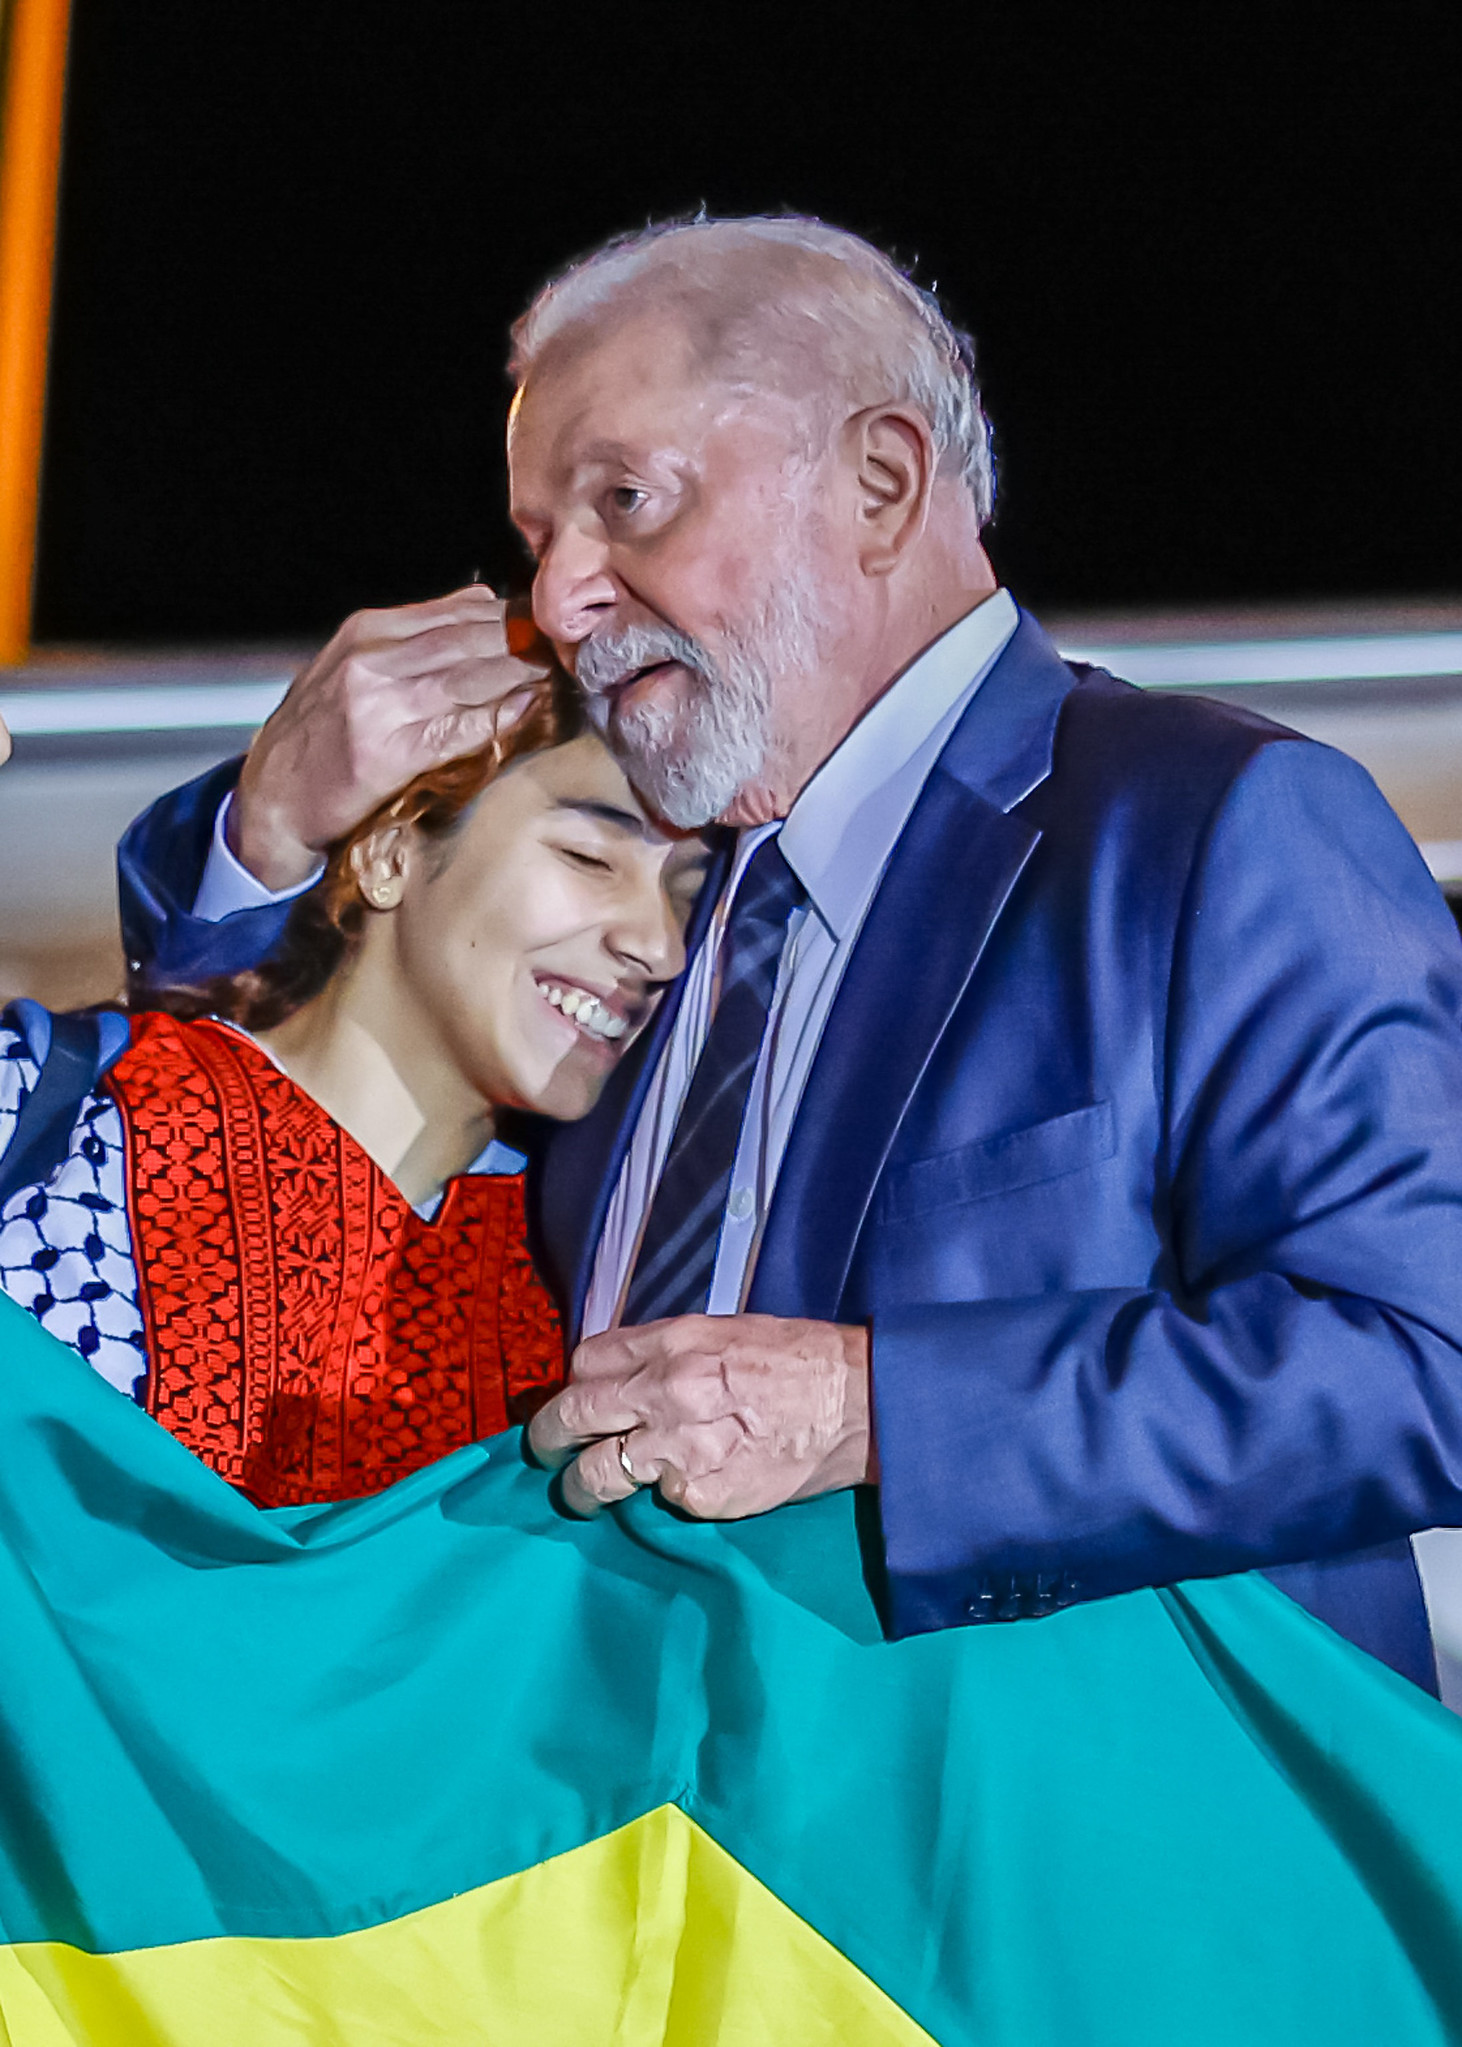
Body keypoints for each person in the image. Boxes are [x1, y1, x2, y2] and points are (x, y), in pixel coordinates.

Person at [118, 215, 1462, 1686]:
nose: (559, 600)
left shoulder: (1213, 824)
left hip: (1090, 1820)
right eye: (540, 540)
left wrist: (873, 1409)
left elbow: (1424, 1359)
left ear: (879, 482)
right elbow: (273, 1129)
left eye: (625, 500)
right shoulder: (629, 908)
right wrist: (268, 823)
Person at [1, 685, 708, 1503]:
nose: (660, 946)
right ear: (389, 852)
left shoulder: (597, 1292)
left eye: (687, 897)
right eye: (590, 858)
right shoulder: (49, 1110)